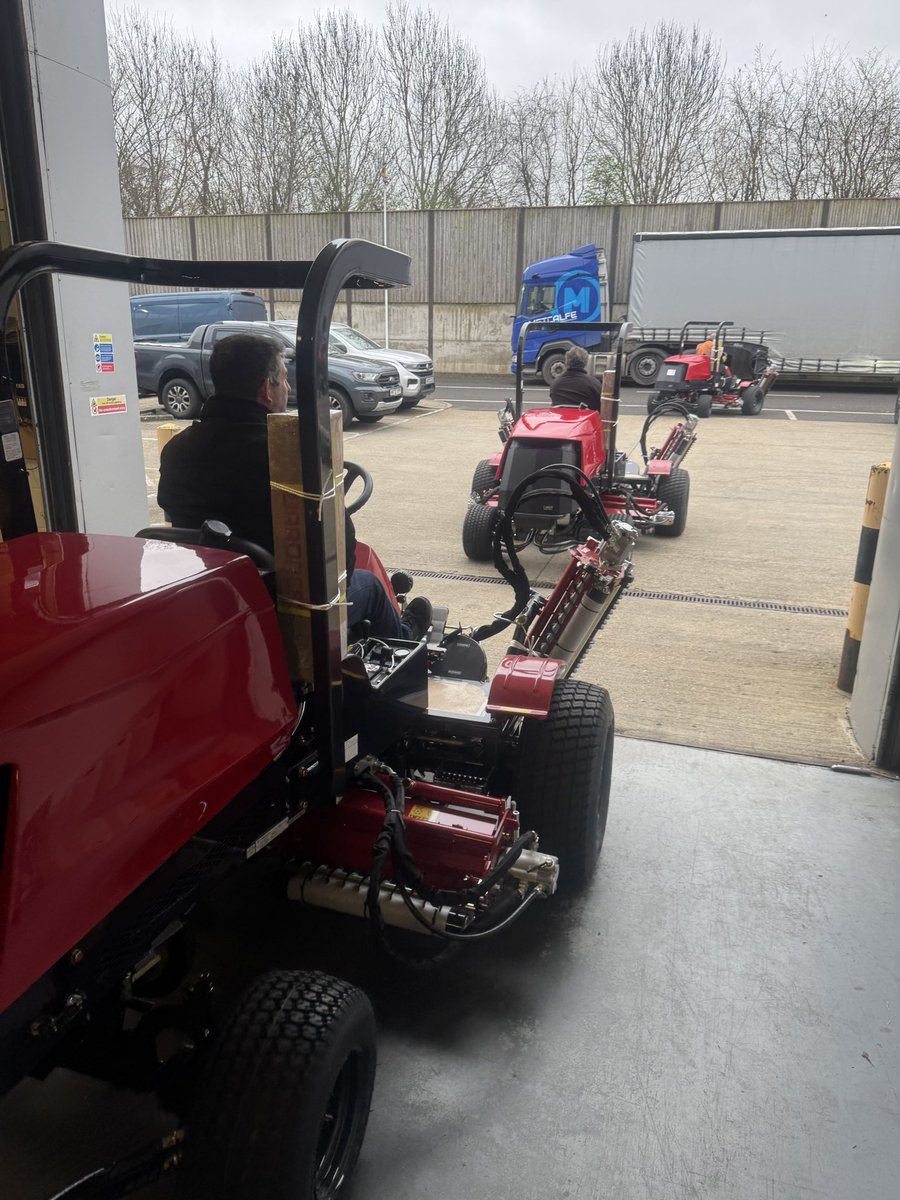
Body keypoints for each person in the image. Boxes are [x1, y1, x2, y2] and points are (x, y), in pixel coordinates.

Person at [157, 332, 432, 642]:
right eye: (285, 380)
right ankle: (406, 639)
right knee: (370, 587)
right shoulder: (285, 459)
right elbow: (340, 549)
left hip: (210, 592)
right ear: (266, 387)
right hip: (279, 603)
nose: (288, 389)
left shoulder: (176, 449)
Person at [548, 345, 604, 410]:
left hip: (561, 419)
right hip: (584, 419)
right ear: (585, 363)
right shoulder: (593, 383)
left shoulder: (555, 383)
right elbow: (600, 408)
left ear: (566, 361)